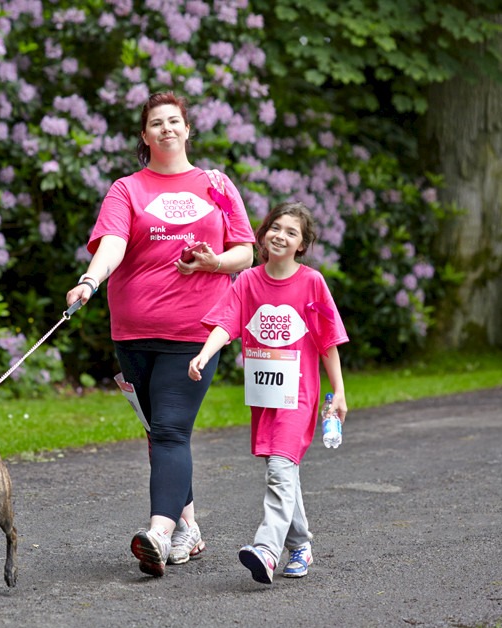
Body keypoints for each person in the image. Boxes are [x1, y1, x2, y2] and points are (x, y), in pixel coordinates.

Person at [66, 92, 255, 577]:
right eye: (156, 123)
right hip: (132, 332)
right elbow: (111, 243)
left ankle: (159, 532)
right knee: (160, 433)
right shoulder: (127, 189)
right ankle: (188, 526)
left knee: (170, 429)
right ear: (145, 136)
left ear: (187, 130)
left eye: (175, 121)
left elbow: (245, 254)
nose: (166, 128)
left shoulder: (216, 185)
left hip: (197, 328)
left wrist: (214, 262)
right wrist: (89, 281)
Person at [187, 201, 348, 584]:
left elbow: (328, 342)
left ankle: (266, 549)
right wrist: (204, 354)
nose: (281, 236)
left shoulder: (312, 283)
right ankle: (302, 546)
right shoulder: (247, 281)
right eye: (276, 227)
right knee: (283, 471)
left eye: (292, 232)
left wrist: (338, 392)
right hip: (265, 396)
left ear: (301, 245)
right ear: (263, 233)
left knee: (279, 470)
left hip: (301, 395)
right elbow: (227, 323)